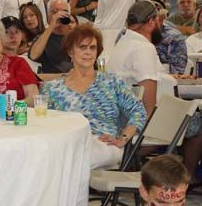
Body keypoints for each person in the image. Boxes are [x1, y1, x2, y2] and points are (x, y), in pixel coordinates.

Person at [44, 24, 146, 169]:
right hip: (68, 143)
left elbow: (138, 112)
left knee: (70, 161)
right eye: (82, 47)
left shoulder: (111, 82)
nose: (88, 52)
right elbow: (45, 123)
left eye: (92, 48)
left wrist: (123, 138)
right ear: (70, 51)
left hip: (104, 144)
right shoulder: (52, 88)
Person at [106, 0, 162, 116]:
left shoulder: (123, 42)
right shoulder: (143, 47)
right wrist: (149, 127)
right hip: (132, 121)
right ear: (151, 22)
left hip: (119, 114)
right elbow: (147, 89)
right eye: (158, 21)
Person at [29, 0, 74, 75]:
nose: (60, 15)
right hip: (52, 81)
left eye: (64, 11)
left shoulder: (76, 36)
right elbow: (33, 55)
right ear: (48, 15)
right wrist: (51, 26)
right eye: (55, 11)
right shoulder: (43, 37)